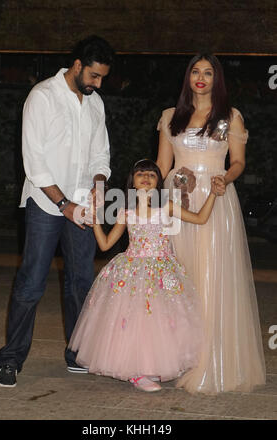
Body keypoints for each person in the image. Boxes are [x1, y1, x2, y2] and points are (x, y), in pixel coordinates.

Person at [0, 35, 115, 387]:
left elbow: (100, 155)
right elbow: (35, 163)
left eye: (102, 78)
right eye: (94, 76)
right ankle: (11, 358)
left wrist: (98, 186)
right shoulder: (43, 97)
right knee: (31, 283)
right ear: (78, 66)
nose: (98, 83)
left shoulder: (96, 103)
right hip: (47, 204)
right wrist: (65, 205)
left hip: (82, 203)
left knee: (81, 281)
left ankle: (77, 353)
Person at [156, 54, 266, 394]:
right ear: (187, 77)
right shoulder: (171, 117)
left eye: (208, 72)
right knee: (179, 277)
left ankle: (212, 361)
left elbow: (237, 162)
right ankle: (177, 357)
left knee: (212, 278)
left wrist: (225, 180)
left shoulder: (229, 117)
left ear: (217, 80)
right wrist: (146, 198)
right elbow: (162, 165)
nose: (200, 77)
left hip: (215, 200)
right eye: (195, 71)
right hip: (177, 200)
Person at [68, 159, 218, 392]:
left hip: (163, 270)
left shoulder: (166, 206)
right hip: (133, 270)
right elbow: (106, 244)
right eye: (140, 174)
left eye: (152, 174)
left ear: (158, 181)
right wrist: (95, 220)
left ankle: (158, 363)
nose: (146, 177)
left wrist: (214, 196)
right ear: (133, 181)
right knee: (135, 319)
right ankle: (136, 372)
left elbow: (200, 218)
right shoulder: (125, 211)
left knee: (162, 319)